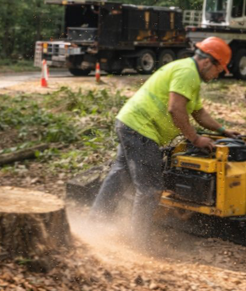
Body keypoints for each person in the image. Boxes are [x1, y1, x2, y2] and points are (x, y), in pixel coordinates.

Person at [90, 37, 238, 242]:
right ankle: (138, 242)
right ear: (207, 62)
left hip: (130, 122)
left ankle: (95, 221)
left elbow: (198, 112)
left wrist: (223, 130)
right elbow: (175, 108)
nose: (217, 75)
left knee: (120, 175)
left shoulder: (188, 72)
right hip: (142, 129)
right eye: (218, 70)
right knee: (151, 189)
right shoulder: (188, 73)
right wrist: (195, 139)